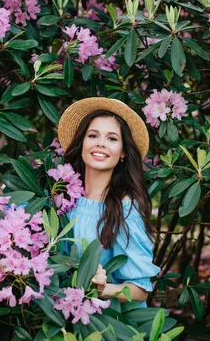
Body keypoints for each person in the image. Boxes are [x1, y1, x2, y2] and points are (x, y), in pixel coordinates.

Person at [58, 97, 160, 306]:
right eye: (93, 135)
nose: (101, 143)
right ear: (82, 143)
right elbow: (6, 216)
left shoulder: (124, 210)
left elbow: (140, 290)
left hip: (109, 327)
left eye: (112, 138)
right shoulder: (60, 196)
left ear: (122, 152)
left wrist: (102, 289)